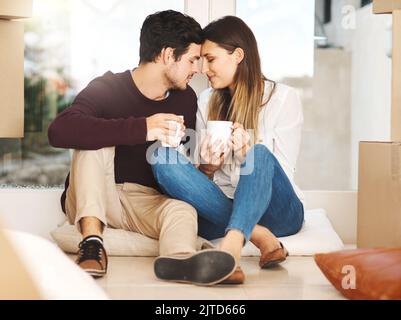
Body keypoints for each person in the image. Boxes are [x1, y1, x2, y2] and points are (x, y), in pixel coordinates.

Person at [48, 10, 236, 286]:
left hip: (145, 201)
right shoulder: (108, 87)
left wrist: (206, 168)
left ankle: (181, 260)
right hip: (99, 191)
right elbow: (59, 130)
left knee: (181, 211)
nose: (198, 69)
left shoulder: (186, 99)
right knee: (92, 142)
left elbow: (183, 170)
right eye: (193, 59)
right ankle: (91, 245)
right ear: (168, 55)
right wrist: (143, 128)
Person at [151, 16, 305, 284]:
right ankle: (258, 235)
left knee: (258, 155)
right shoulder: (207, 100)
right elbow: (203, 185)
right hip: (225, 206)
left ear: (238, 55)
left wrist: (248, 156)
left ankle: (230, 251)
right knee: (160, 156)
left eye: (210, 59)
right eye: (200, 61)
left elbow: (282, 172)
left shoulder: (283, 99)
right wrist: (207, 168)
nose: (203, 69)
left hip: (279, 212)